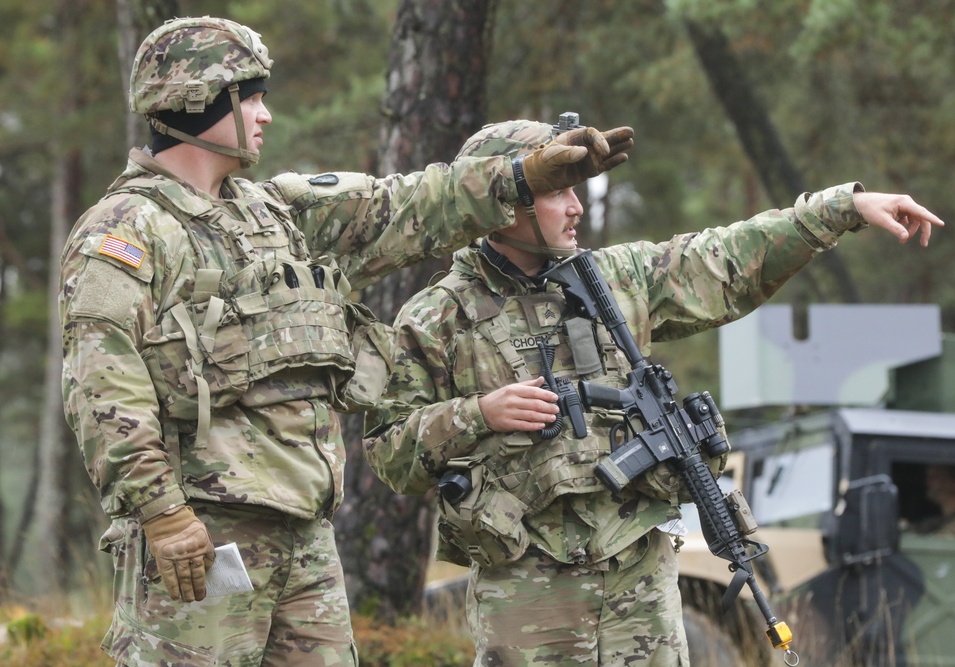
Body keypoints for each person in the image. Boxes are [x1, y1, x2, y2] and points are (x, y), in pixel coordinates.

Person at [58, 17, 633, 667]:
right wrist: (162, 513)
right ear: (197, 96)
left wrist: (522, 177)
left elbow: (406, 205)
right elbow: (103, 381)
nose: (265, 114)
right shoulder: (128, 228)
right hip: (203, 534)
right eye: (249, 97)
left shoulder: (275, 213)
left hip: (304, 535)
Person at [363, 117, 945, 666]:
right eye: (558, 191)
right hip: (527, 590)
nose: (576, 206)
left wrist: (843, 208)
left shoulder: (616, 279)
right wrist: (479, 414)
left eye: (577, 190)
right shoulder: (438, 317)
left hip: (638, 578)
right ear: (502, 202)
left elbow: (728, 258)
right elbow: (390, 452)